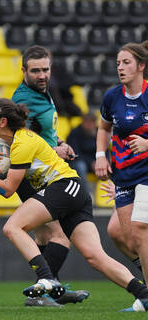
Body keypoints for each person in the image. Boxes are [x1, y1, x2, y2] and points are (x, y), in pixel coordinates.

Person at [0, 97, 148, 312]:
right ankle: (144, 295)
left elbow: (7, 190)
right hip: (71, 191)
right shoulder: (8, 144)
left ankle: (47, 279)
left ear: (3, 121)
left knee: (12, 227)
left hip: (64, 188)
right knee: (95, 257)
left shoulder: (22, 143)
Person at [11, 45, 88, 306]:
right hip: (34, 175)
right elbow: (19, 143)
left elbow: (45, 134)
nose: (42, 75)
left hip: (41, 172)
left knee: (44, 235)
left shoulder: (43, 92)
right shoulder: (23, 101)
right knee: (61, 236)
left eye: (45, 69)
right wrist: (55, 150)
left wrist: (60, 143)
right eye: (35, 71)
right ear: (23, 71)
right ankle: (47, 290)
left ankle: (48, 289)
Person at [95, 40, 148, 289]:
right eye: (118, 63)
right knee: (129, 239)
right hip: (124, 175)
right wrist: (100, 156)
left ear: (141, 66)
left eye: (126, 62)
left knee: (139, 229)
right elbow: (104, 127)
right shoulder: (112, 97)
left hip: (147, 174)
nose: (120, 68)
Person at [66, 112, 98, 193]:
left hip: (95, 162)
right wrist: (91, 163)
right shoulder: (75, 133)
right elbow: (75, 154)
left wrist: (102, 160)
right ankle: (86, 195)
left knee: (112, 164)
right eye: (87, 122)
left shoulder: (98, 132)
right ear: (83, 122)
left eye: (92, 122)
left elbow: (104, 150)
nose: (89, 125)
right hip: (77, 162)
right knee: (81, 166)